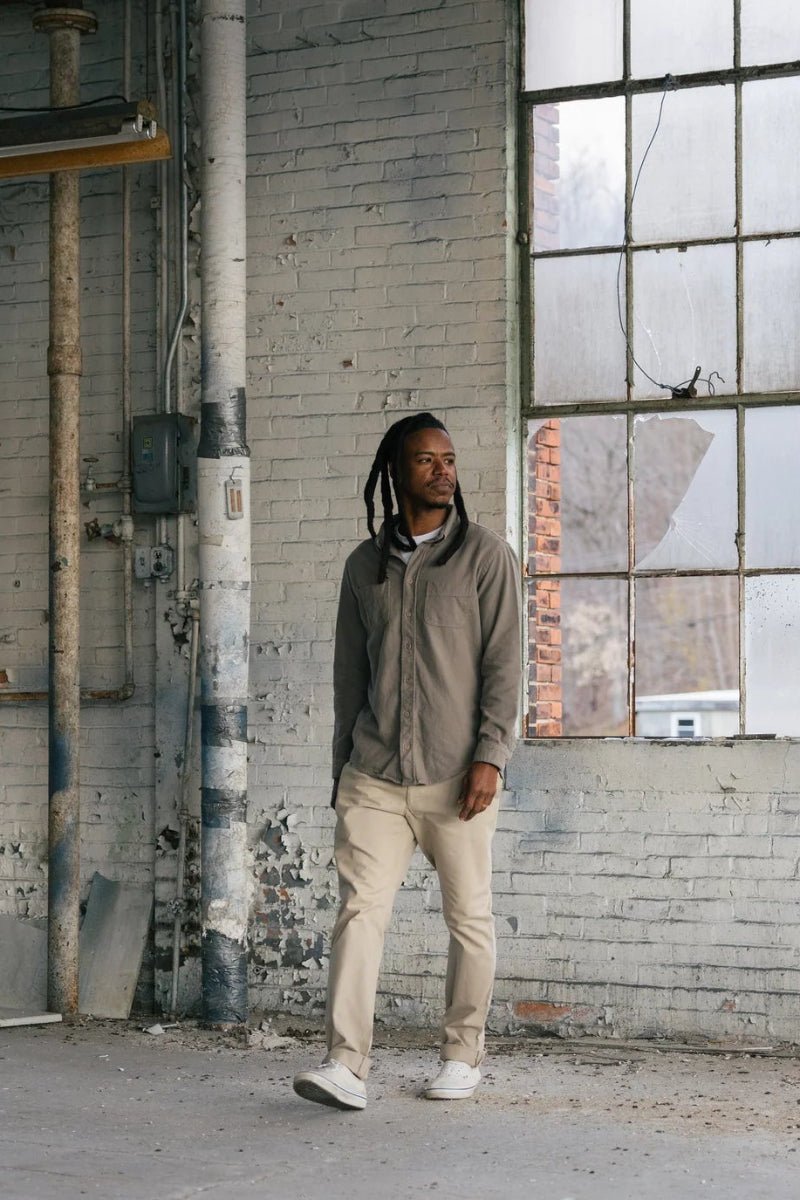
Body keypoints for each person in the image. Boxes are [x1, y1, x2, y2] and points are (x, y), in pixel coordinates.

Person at [293, 412, 522, 1110]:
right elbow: (349, 678)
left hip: (459, 777)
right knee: (359, 912)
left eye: (448, 459)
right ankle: (345, 1064)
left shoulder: (486, 557)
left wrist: (491, 757)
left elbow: (505, 666)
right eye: (426, 460)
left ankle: (461, 1054)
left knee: (469, 919)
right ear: (396, 473)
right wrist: (342, 772)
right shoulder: (362, 568)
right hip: (374, 777)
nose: (443, 470)